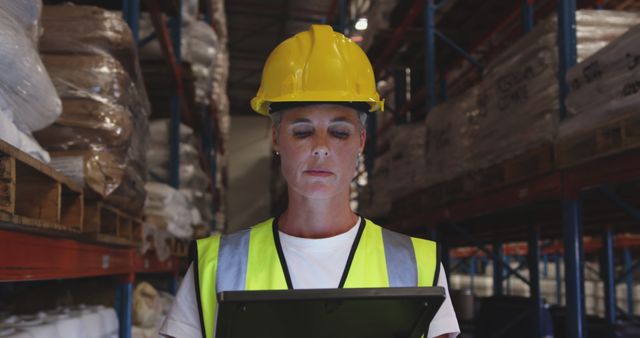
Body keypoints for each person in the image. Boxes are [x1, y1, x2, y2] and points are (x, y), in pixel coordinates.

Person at [160, 24, 460, 338]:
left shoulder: (416, 265)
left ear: (361, 140)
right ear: (276, 138)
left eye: (339, 132)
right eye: (302, 131)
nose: (320, 147)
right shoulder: (216, 266)